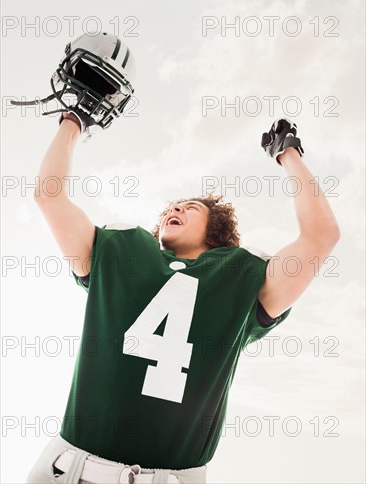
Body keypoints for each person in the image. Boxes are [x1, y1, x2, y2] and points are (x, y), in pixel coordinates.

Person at [26, 114, 340, 484]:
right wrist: (75, 119)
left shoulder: (242, 276)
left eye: (191, 208)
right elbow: (49, 195)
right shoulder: (120, 250)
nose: (176, 208)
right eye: (173, 206)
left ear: (216, 233)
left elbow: (322, 236)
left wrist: (288, 153)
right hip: (71, 469)